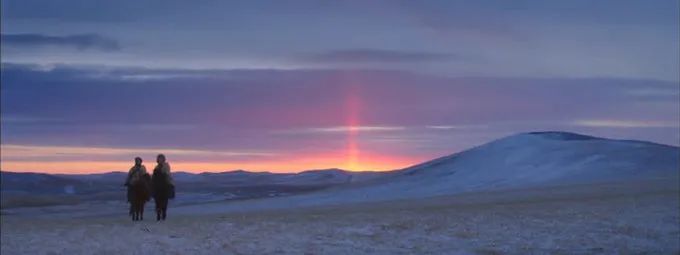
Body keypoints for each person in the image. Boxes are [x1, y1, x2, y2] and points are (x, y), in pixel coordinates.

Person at [152, 154, 174, 221]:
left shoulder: (166, 165)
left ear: (163, 159)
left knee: (169, 184)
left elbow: (167, 172)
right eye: (159, 159)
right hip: (157, 181)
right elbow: (154, 175)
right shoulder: (156, 166)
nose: (160, 160)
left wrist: (163, 173)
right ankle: (158, 214)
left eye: (161, 158)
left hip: (165, 179)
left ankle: (170, 194)